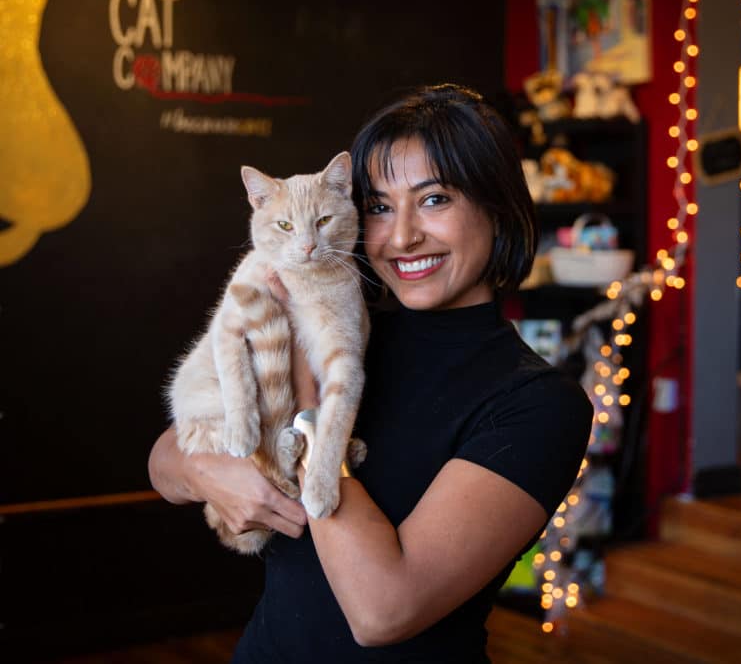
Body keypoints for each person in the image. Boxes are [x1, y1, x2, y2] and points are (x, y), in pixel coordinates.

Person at [148, 84, 594, 662]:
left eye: (434, 200)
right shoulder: (346, 324)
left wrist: (308, 408)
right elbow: (163, 461)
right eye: (380, 206)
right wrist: (208, 475)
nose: (402, 235)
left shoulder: (539, 404)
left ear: (497, 205)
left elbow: (383, 613)